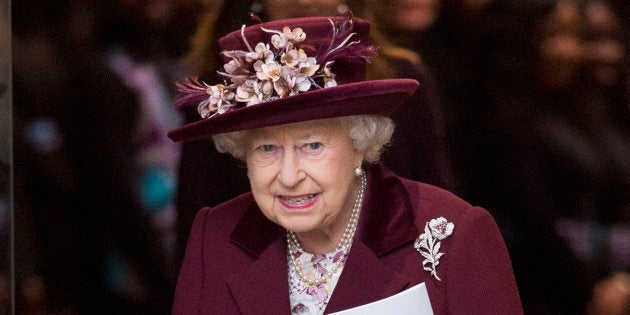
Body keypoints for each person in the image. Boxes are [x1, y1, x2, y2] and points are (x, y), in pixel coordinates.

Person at [169, 13, 521, 314]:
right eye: (266, 149)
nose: (289, 177)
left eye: (313, 145)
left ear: (359, 145)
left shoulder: (452, 235)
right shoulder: (215, 236)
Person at [174, 0, 453, 266]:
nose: (305, 3)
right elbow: (196, 209)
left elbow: (434, 195)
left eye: (314, 144)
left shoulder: (396, 75)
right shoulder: (220, 94)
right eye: (267, 147)